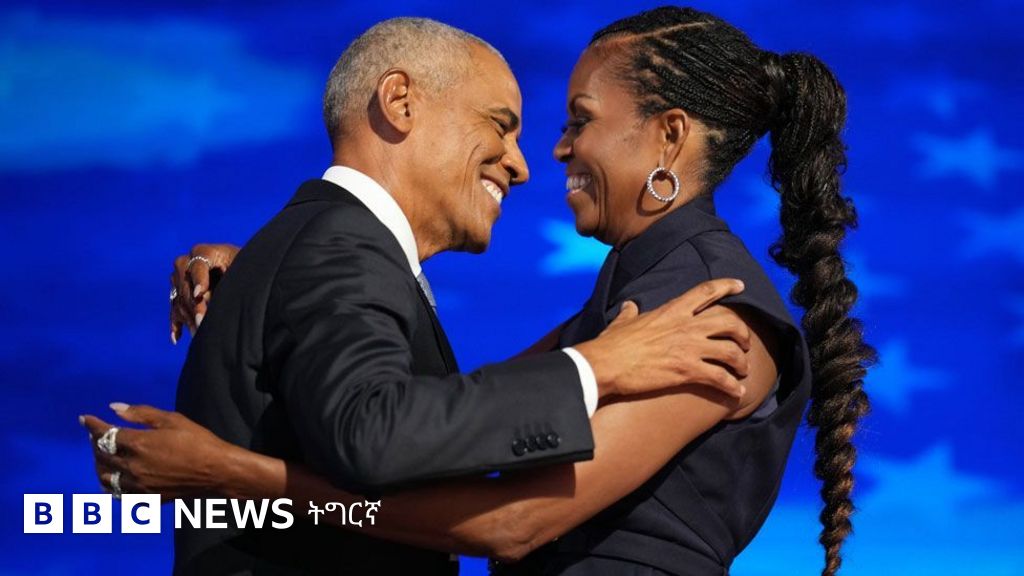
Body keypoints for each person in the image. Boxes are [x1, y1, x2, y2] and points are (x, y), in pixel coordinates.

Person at [85, 7, 875, 576]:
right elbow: (450, 416)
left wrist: (237, 476)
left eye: (578, 120)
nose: (547, 155)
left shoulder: (706, 310)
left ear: (669, 136)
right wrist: (270, 274)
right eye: (513, 126)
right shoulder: (630, 307)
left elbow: (514, 520)